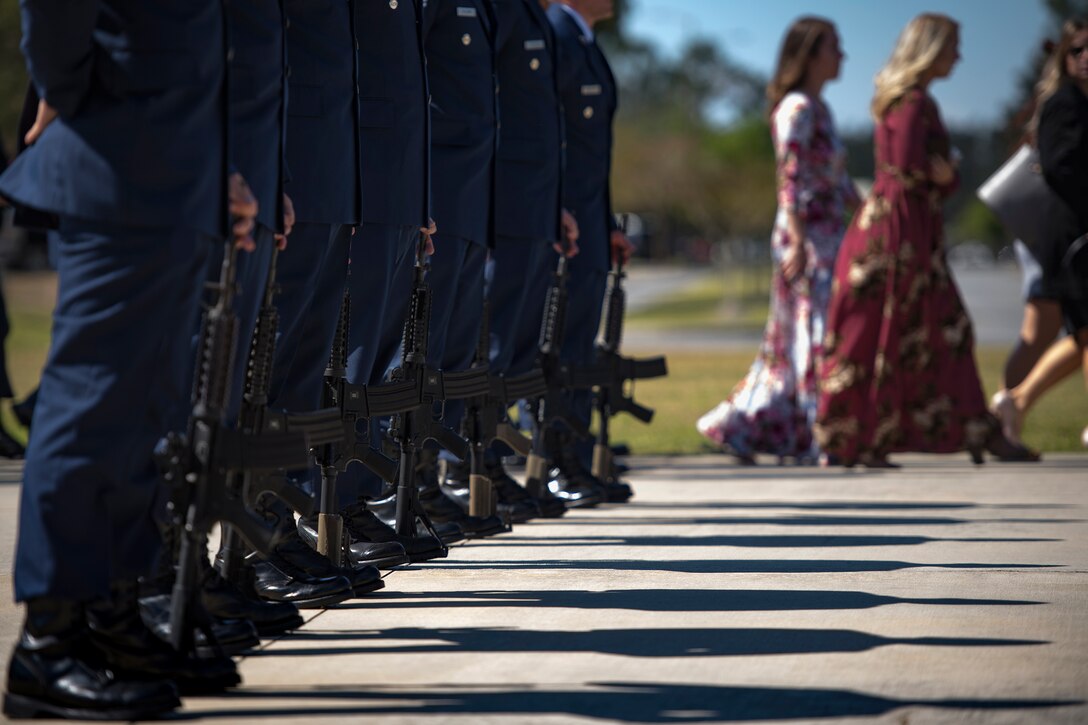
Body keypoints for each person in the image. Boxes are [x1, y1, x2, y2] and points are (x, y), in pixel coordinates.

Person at [0, 1, 249, 718]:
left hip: (175, 174)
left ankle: (109, 613)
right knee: (89, 407)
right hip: (118, 163)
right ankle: (48, 641)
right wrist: (89, 111)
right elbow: (55, 20)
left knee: (141, 414)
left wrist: (213, 168)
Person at [814, 13, 1036, 467]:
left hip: (890, 227)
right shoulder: (915, 103)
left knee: (885, 334)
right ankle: (967, 432)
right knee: (936, 331)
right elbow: (916, 169)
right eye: (953, 46)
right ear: (931, 48)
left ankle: (858, 437)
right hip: (902, 233)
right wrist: (949, 176)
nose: (959, 57)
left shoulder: (900, 100)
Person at [697, 17, 858, 465]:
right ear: (809, 56)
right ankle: (812, 436)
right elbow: (789, 179)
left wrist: (866, 217)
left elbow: (838, 181)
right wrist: (798, 240)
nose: (842, 57)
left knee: (801, 340)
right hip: (805, 238)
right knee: (809, 338)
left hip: (828, 236)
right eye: (833, 47)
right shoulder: (797, 110)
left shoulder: (820, 110)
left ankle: (766, 429)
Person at [546, 0, 635, 503]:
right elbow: (551, 141)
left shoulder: (581, 39)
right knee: (562, 344)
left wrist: (606, 223)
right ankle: (558, 460)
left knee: (580, 343)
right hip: (567, 224)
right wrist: (556, 208)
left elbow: (590, 154)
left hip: (588, 221)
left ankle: (576, 454)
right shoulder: (558, 31)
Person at [993, 18, 1088, 448]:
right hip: (1066, 239)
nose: (1085, 59)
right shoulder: (1063, 103)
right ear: (1064, 58)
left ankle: (1014, 403)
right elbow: (1061, 168)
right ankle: (1006, 417)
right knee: (1052, 330)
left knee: (1075, 334)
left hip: (1069, 238)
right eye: (1077, 51)